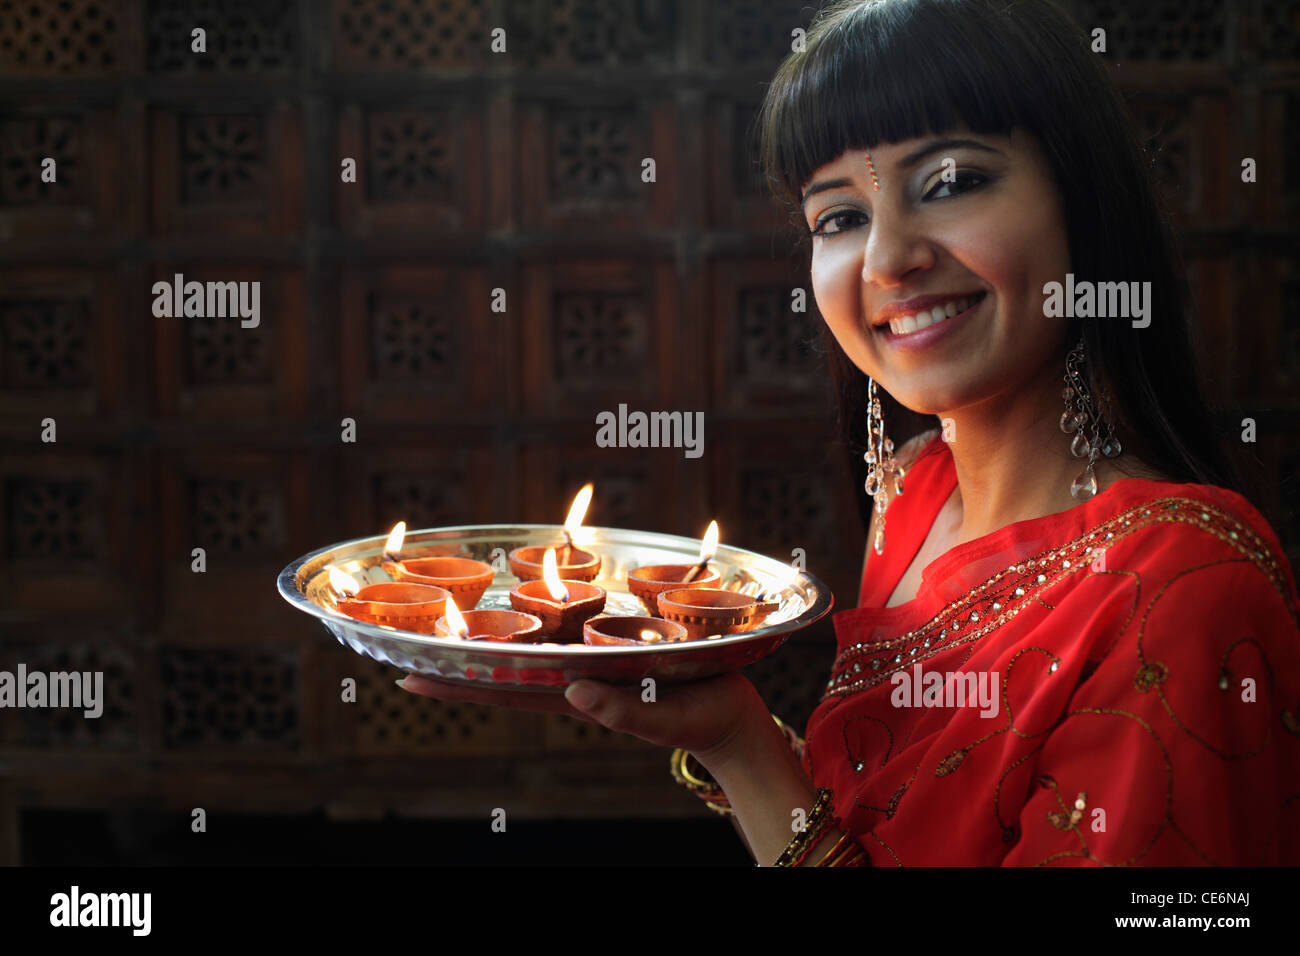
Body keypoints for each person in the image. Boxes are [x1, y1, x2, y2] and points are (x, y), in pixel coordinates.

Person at [399, 0, 1300, 865]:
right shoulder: (915, 491)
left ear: (1084, 201)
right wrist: (719, 729)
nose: (887, 259)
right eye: (840, 216)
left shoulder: (1182, 587)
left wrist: (748, 748)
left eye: (951, 183)